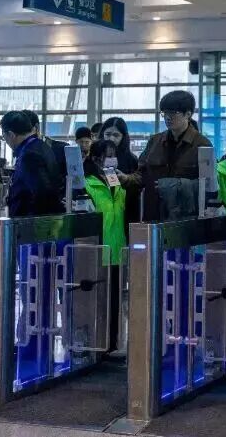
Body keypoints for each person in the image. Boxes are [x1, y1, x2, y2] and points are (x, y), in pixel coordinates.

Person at [138, 90, 213, 220]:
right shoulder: (155, 141)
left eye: (173, 113)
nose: (167, 117)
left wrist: (175, 185)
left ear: (188, 114)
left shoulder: (202, 144)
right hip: (155, 211)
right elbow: (141, 173)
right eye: (164, 113)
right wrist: (125, 178)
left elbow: (209, 186)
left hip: (185, 216)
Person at [83, 139, 127, 352]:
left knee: (114, 301)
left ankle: (112, 343)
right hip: (97, 252)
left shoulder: (115, 181)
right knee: (96, 301)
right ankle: (95, 343)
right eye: (108, 156)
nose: (112, 160)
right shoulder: (87, 184)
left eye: (114, 155)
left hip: (117, 251)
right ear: (95, 158)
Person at [0, 110, 64, 216]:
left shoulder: (29, 154)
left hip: (31, 221)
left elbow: (41, 193)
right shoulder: (41, 146)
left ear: (11, 135)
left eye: (4, 137)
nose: (6, 142)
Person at [99, 117, 143, 224]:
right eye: (108, 134)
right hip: (99, 211)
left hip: (125, 212)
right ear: (102, 135)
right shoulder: (94, 157)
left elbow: (137, 186)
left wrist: (125, 179)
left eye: (116, 135)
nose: (111, 138)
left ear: (123, 137)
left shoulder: (132, 160)